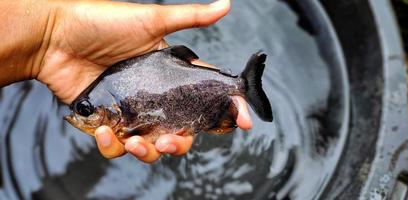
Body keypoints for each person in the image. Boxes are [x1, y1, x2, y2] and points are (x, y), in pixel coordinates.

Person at [0, 0, 253, 163]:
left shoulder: (118, 109)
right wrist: (49, 37)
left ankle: (241, 85)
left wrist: (50, 36)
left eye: (86, 110)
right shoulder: (111, 94)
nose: (81, 114)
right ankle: (241, 85)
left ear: (112, 110)